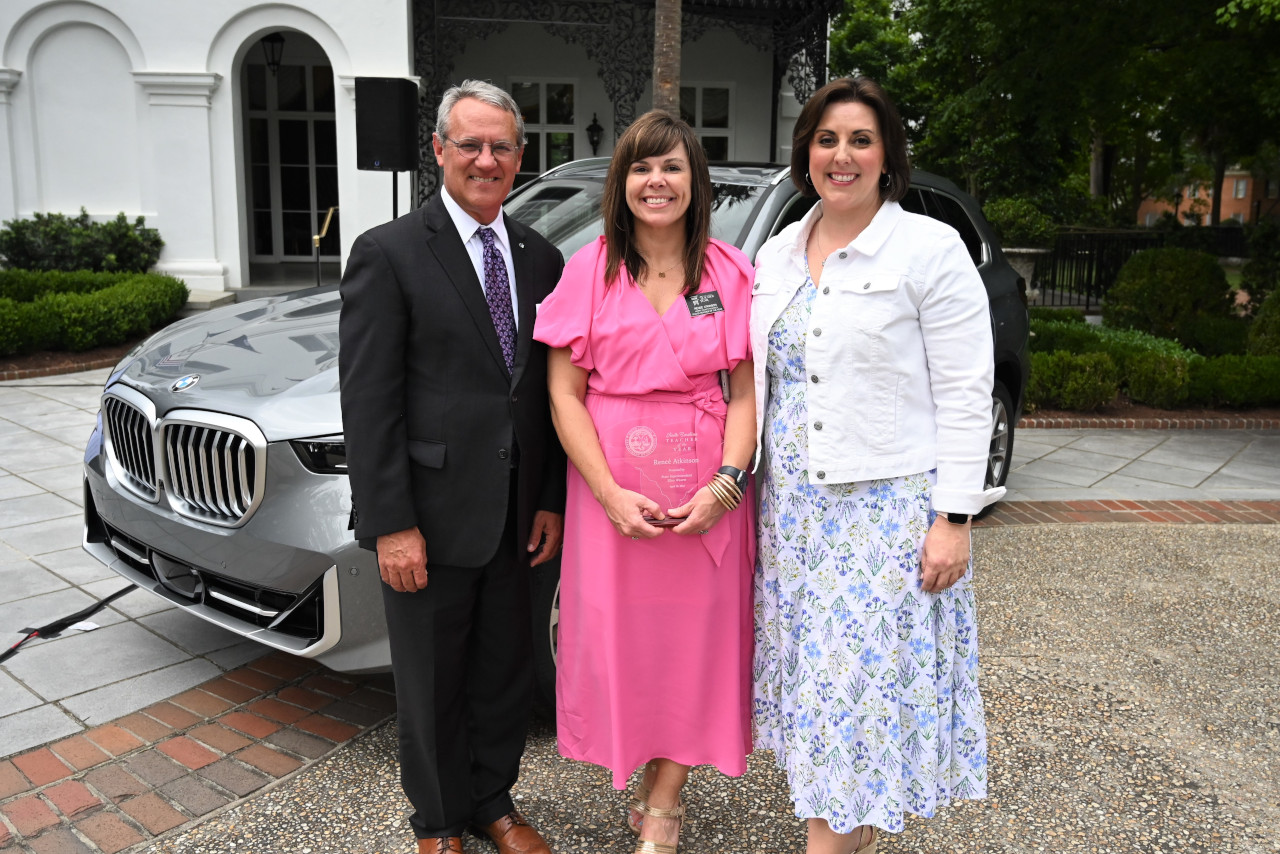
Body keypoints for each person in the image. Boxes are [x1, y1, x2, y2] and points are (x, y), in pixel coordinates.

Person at [750, 76, 1003, 854]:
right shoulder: (779, 251)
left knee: (853, 702)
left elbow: (967, 390)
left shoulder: (928, 249)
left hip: (885, 519)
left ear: (889, 153)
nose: (843, 155)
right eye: (827, 139)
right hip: (792, 518)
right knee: (825, 706)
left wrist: (954, 518)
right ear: (806, 153)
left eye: (861, 139)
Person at [339, 79, 566, 854]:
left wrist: (549, 498)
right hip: (428, 520)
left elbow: (547, 394)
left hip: (515, 517)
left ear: (520, 156)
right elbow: (369, 402)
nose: (485, 158)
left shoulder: (543, 258)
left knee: (506, 671)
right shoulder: (389, 253)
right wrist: (390, 523)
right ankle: (438, 825)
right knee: (432, 682)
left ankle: (492, 802)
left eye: (501, 145)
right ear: (438, 150)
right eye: (469, 143)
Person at [533, 110, 756, 854]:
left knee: (696, 643)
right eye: (640, 167)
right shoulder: (587, 270)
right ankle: (641, 764)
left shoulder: (730, 273)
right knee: (625, 643)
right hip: (612, 496)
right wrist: (604, 491)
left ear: (697, 181)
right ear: (620, 181)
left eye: (671, 167)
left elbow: (747, 395)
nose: (655, 181)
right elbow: (563, 393)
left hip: (706, 495)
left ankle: (666, 800)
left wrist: (726, 486)